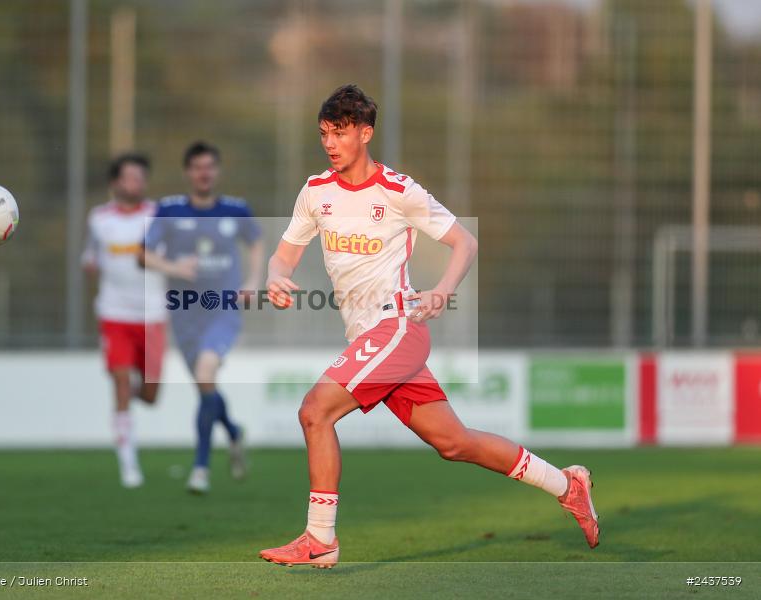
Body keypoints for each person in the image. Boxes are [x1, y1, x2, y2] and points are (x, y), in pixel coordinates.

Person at [258, 84, 599, 568]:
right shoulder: (316, 192)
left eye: (340, 133)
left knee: (316, 411)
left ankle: (320, 540)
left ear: (365, 133)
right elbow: (284, 255)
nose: (330, 143)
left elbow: (465, 242)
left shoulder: (398, 191)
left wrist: (442, 289)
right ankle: (568, 485)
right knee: (453, 442)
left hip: (397, 327)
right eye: (323, 134)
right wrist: (276, 276)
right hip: (369, 339)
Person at [141, 141, 264, 494]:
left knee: (206, 374)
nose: (204, 172)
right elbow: (143, 253)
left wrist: (253, 282)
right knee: (205, 387)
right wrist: (173, 266)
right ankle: (234, 431)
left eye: (210, 166)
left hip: (223, 309)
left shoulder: (236, 210)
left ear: (217, 171)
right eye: (197, 167)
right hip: (184, 314)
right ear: (187, 173)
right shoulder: (168, 210)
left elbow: (256, 242)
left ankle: (200, 468)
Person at [82, 153, 166, 489]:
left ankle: (124, 409)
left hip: (153, 313)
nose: (136, 183)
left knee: (150, 393)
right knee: (119, 381)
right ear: (116, 182)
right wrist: (90, 263)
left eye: (141, 177)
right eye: (130, 177)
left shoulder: (157, 215)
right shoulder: (99, 219)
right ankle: (129, 464)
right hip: (113, 313)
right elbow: (90, 256)